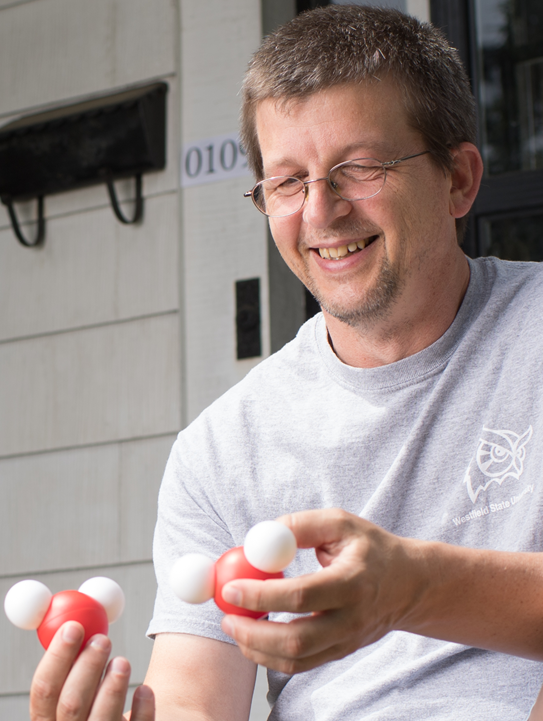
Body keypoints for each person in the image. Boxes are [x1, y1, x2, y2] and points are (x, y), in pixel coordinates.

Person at [28, 5, 543, 721]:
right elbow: (195, 700)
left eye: (357, 168)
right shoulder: (221, 449)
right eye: (287, 181)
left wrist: (410, 587)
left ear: (457, 179)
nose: (320, 211)